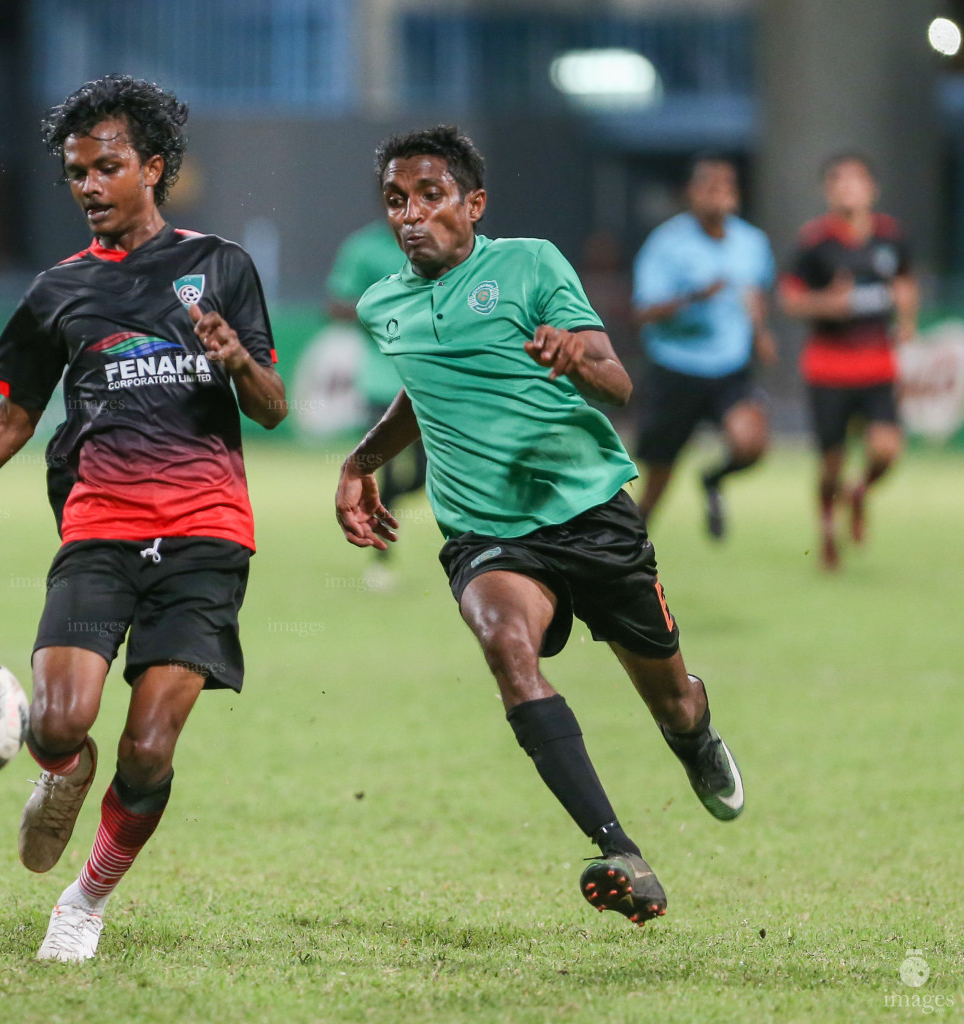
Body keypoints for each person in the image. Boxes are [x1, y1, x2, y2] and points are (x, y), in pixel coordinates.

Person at [0, 75, 286, 963]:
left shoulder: (222, 269)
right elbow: (10, 419)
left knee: (152, 747)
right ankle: (64, 776)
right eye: (77, 172)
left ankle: (84, 901)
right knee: (54, 723)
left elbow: (273, 408)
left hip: (205, 536)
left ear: (153, 169)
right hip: (100, 528)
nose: (88, 186)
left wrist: (238, 359)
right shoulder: (58, 292)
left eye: (107, 167)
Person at [335, 125, 744, 927]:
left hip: (589, 513)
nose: (411, 214)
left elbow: (618, 384)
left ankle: (694, 733)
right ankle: (618, 848)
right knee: (505, 648)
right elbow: (421, 390)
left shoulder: (529, 263)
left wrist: (572, 357)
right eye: (395, 200)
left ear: (472, 203)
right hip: (486, 531)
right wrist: (360, 462)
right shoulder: (383, 303)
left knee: (670, 702)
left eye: (429, 195)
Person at [777, 153, 917, 571]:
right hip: (829, 367)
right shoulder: (815, 241)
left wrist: (907, 320)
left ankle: (860, 494)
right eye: (839, 181)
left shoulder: (891, 236)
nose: (847, 188)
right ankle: (826, 529)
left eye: (856, 181)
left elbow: (906, 282)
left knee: (886, 450)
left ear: (871, 188)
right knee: (831, 464)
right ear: (828, 190)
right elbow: (789, 299)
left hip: (877, 364)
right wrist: (828, 303)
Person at [632, 156, 777, 537]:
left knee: (751, 444)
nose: (719, 196)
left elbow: (754, 292)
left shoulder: (752, 242)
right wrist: (694, 298)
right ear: (692, 193)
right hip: (676, 367)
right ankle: (630, 543)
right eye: (709, 187)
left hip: (729, 367)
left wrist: (761, 332)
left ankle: (713, 479)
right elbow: (644, 311)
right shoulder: (666, 243)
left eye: (726, 187)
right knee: (657, 477)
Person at [326, 219, 424, 589]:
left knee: (423, 474)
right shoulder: (364, 247)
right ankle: (380, 556)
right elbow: (336, 304)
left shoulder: (434, 242)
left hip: (422, 381)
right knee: (374, 467)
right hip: (379, 380)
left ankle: (389, 506)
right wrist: (383, 311)